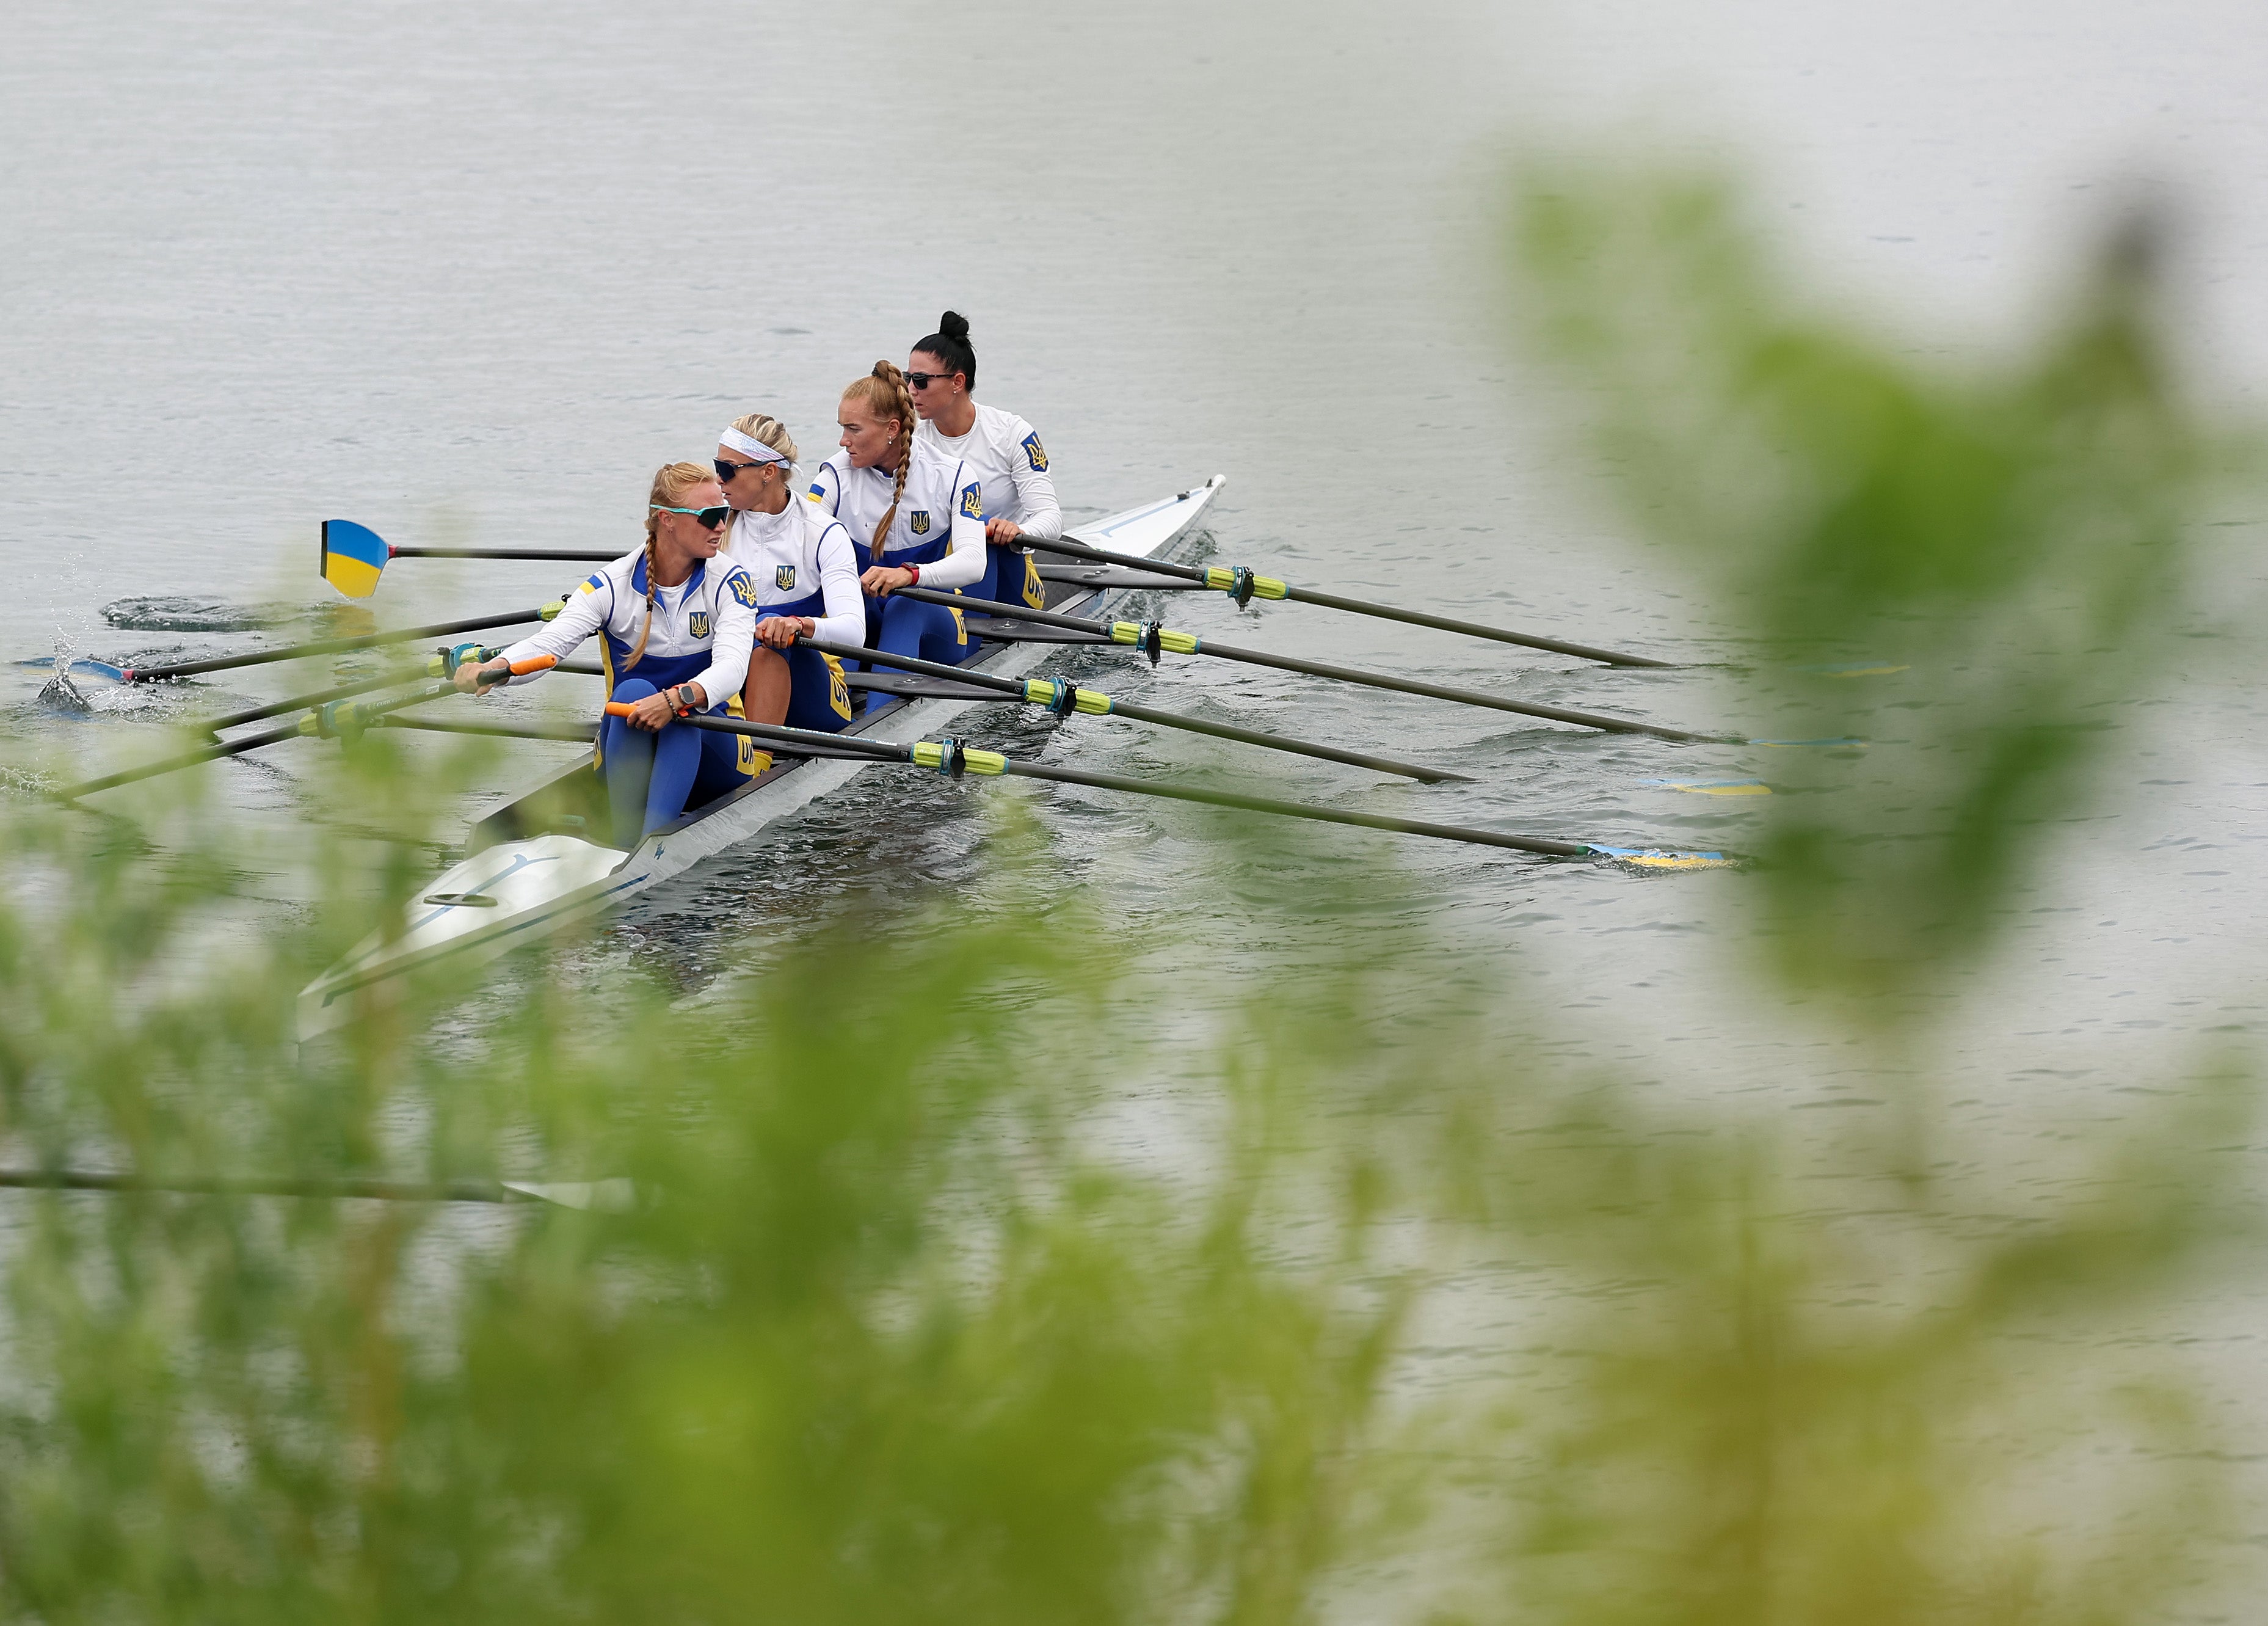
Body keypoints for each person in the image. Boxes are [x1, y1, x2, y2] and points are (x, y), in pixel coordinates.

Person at [454, 463, 764, 850]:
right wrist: (495, 668)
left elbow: (733, 669)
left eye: (725, 514)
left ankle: (641, 849)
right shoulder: (611, 584)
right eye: (711, 516)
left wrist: (675, 700)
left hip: (720, 753)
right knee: (632, 689)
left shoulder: (732, 581)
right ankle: (632, 844)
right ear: (667, 520)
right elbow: (548, 646)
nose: (722, 526)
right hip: (630, 735)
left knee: (682, 717)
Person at [807, 361, 988, 669]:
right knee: (851, 601)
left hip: (936, 622)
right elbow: (802, 550)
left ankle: (878, 712)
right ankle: (842, 702)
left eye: (853, 429)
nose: (843, 441)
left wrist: (910, 575)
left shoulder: (953, 475)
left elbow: (974, 563)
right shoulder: (833, 478)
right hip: (866, 621)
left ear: (892, 429)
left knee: (906, 604)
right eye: (842, 428)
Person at [713, 412, 860, 731]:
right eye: (717, 467)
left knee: (769, 649)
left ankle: (756, 764)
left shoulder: (822, 532)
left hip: (816, 693)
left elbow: (853, 631)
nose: (719, 481)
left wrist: (798, 625)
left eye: (727, 470)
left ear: (768, 471)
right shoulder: (713, 529)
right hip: (736, 680)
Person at [906, 310, 1059, 610]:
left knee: (981, 532)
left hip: (1009, 574)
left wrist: (1020, 532)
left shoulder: (1012, 434)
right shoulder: (912, 441)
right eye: (908, 378)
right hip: (942, 570)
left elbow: (1051, 520)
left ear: (957, 382)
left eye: (921, 381)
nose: (911, 389)